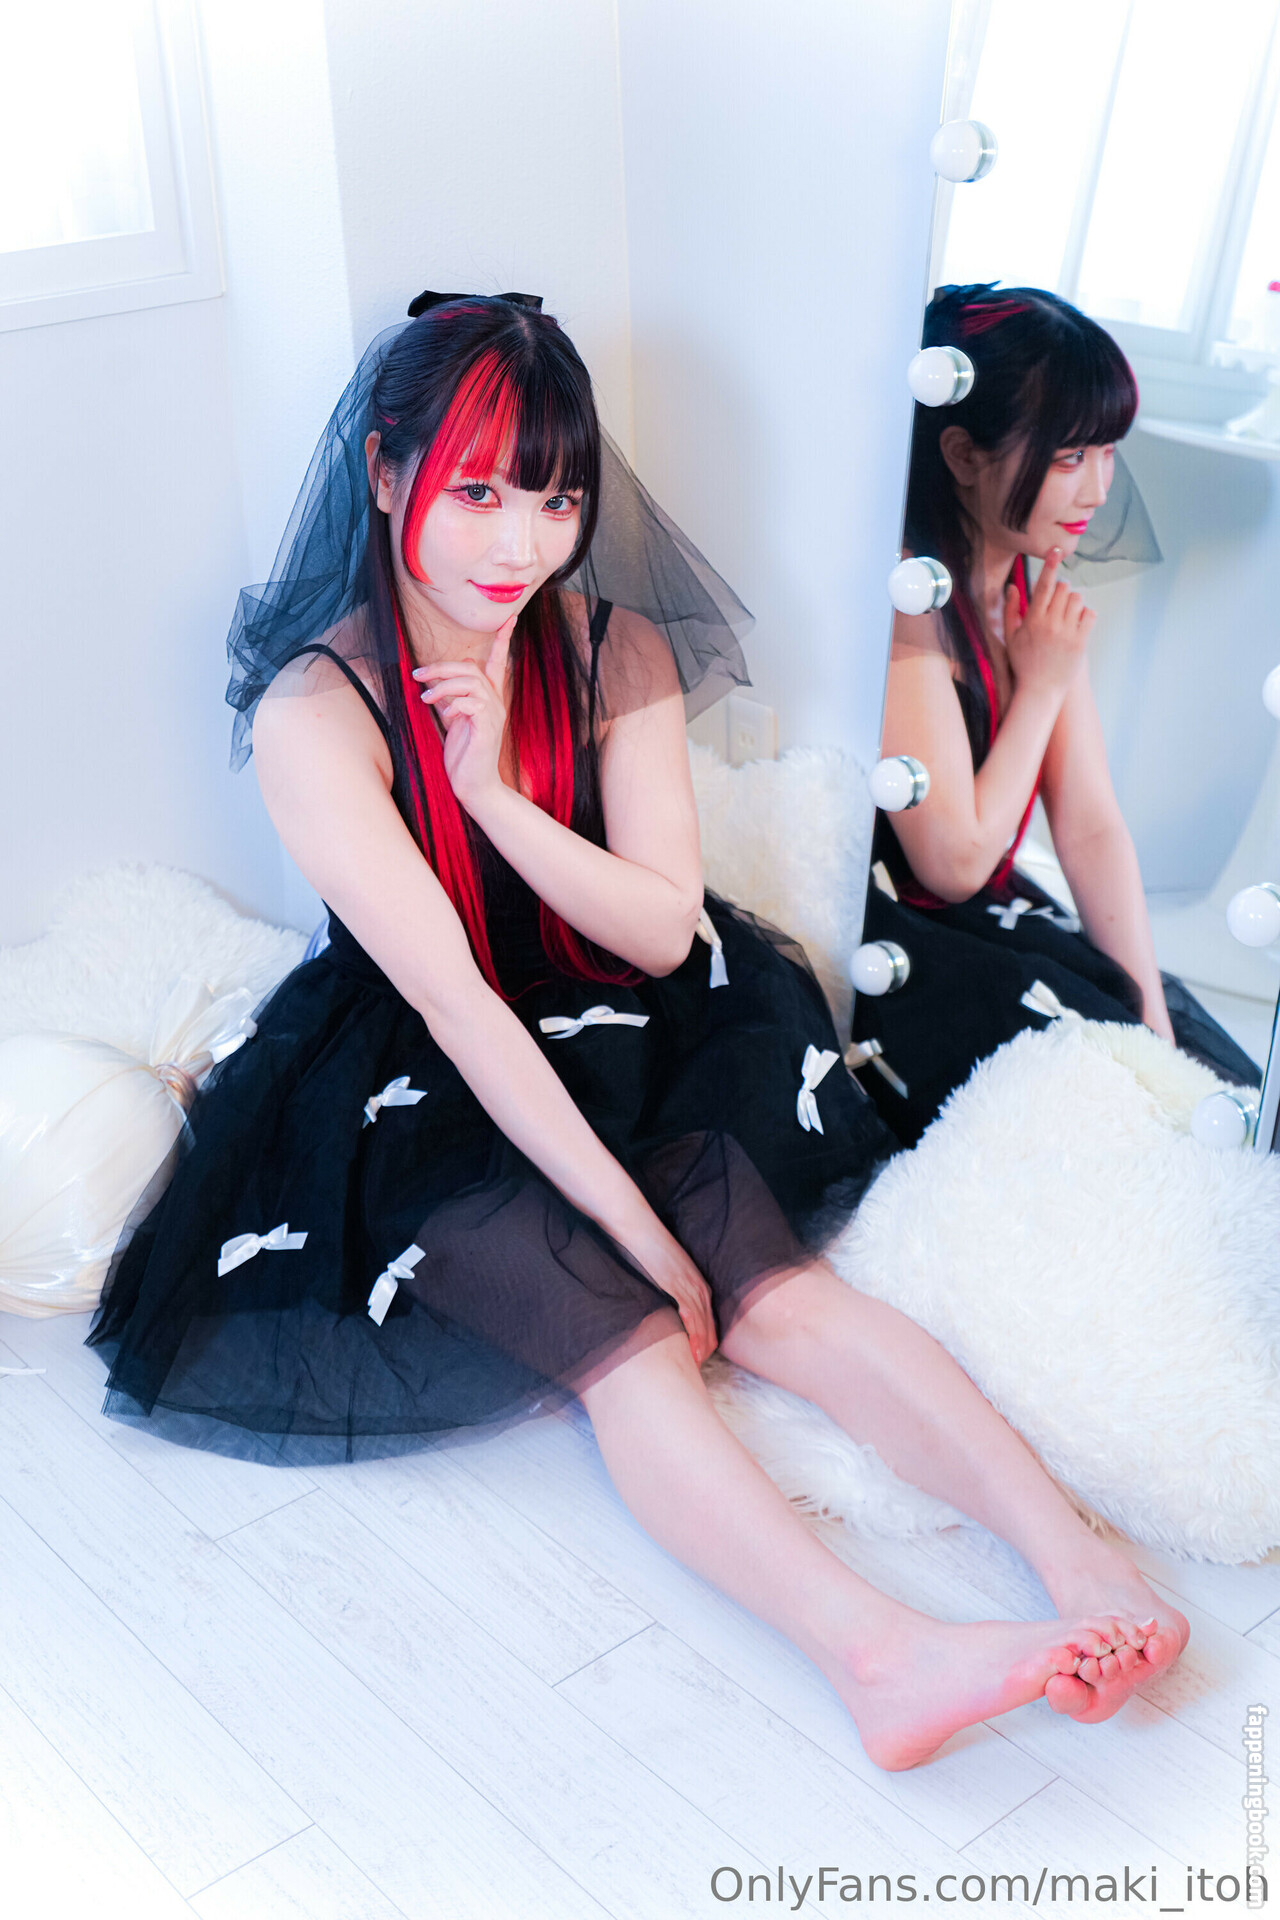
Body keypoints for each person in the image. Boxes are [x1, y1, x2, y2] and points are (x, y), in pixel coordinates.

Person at [87, 292, 1186, 1769]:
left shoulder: (614, 651)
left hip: (626, 1006)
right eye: (479, 492)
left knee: (782, 1297)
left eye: (555, 500)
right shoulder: (317, 708)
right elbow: (456, 1001)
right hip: (423, 1065)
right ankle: (878, 1657)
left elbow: (663, 929)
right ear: (387, 476)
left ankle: (1077, 1560)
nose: (520, 544)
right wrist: (634, 1231)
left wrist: (493, 799)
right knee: (627, 1340)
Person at [854, 283, 1260, 1145]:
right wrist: (1039, 687)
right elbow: (953, 862)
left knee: (1195, 1077)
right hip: (906, 940)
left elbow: (1091, 825)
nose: (1099, 489)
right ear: (962, 454)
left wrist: (1156, 1025)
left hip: (991, 918)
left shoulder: (1028, 588)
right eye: (1071, 456)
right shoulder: (908, 592)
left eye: (1108, 452)